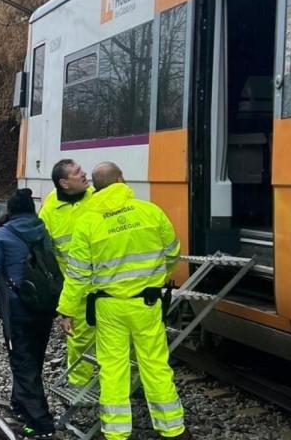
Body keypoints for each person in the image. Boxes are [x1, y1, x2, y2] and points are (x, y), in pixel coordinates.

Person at [58, 162, 187, 440]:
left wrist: (66, 310)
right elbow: (173, 253)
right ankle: (173, 430)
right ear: (122, 180)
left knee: (113, 368)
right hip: (147, 304)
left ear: (96, 186)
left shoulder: (88, 223)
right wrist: (153, 279)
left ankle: (116, 434)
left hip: (109, 307)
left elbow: (77, 275)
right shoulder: (150, 211)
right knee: (155, 364)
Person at [0, 189, 57, 439]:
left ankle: (40, 419)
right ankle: (20, 403)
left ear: (9, 210)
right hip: (44, 304)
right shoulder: (43, 231)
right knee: (34, 357)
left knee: (22, 359)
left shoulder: (1, 235)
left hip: (17, 308)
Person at [38, 159, 97, 393]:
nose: (84, 174)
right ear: (64, 183)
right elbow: (46, 251)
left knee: (119, 338)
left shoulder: (97, 198)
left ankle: (129, 383)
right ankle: (80, 386)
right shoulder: (50, 208)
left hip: (106, 282)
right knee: (79, 339)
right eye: (77, 172)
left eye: (82, 169)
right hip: (75, 286)